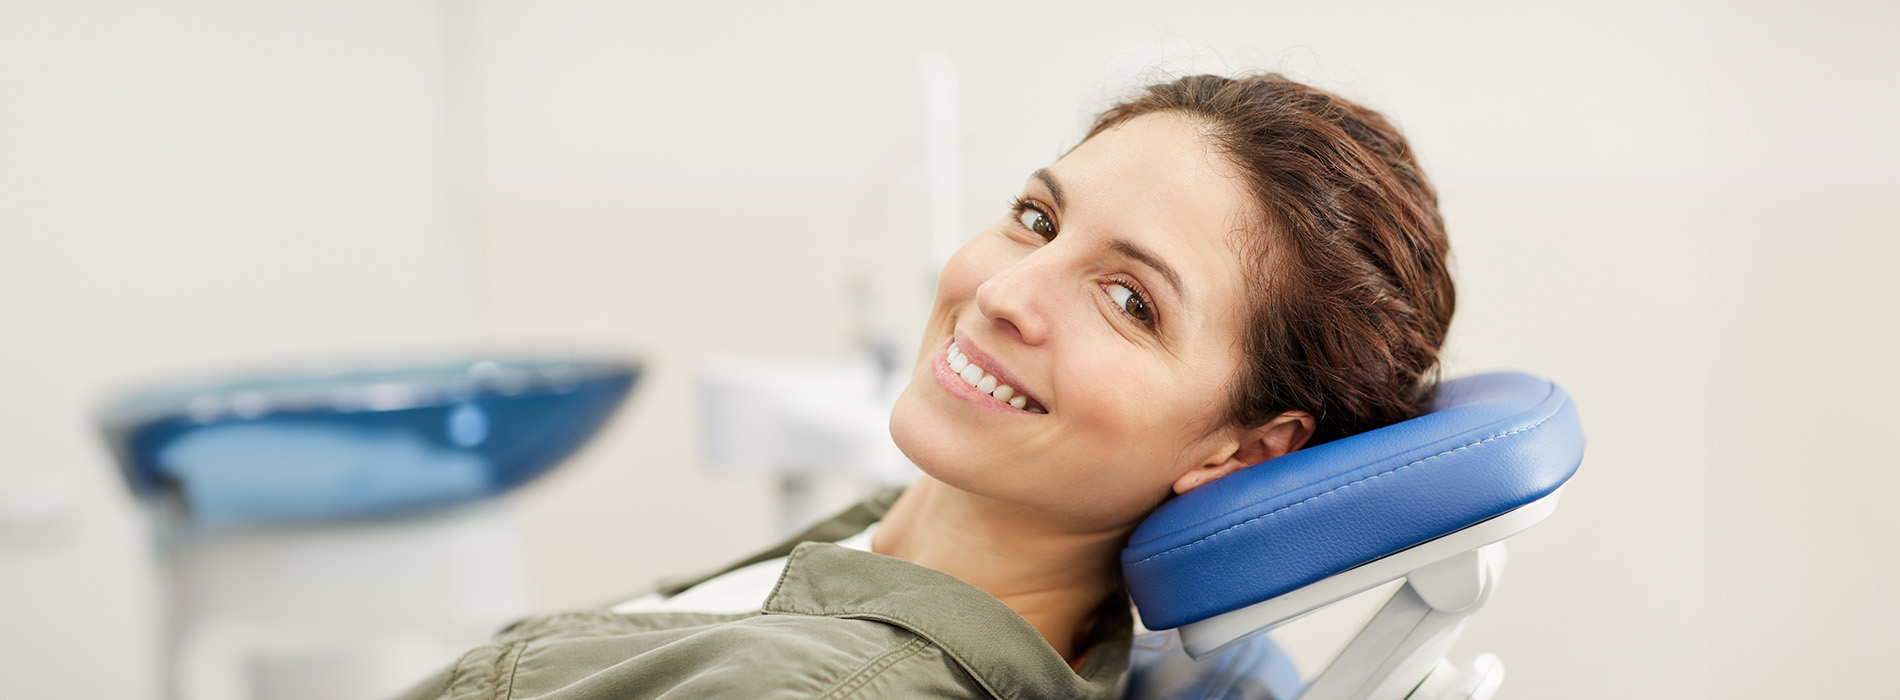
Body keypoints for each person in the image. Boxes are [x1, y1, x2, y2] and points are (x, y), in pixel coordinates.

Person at [391, 72, 1453, 700]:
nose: (1006, 292)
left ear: (1239, 450)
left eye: (1128, 301)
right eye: (1037, 220)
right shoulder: (902, 545)